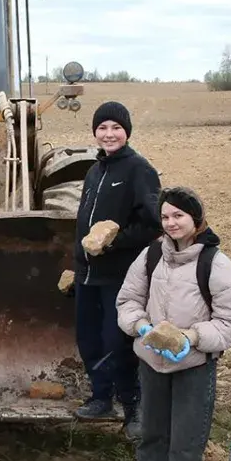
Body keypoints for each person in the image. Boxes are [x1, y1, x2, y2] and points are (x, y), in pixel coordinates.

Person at [116, 186, 231, 461]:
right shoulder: (150, 256)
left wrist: (191, 337)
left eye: (179, 216)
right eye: (166, 216)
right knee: (152, 437)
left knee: (186, 444)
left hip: (193, 368)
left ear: (196, 220)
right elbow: (127, 300)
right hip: (152, 364)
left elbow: (229, 325)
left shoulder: (216, 266)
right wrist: (140, 326)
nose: (171, 222)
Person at [73, 100, 162, 436]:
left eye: (115, 128)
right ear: (95, 132)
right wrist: (77, 267)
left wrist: (114, 241)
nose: (108, 134)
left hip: (119, 275)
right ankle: (100, 397)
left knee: (117, 340)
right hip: (88, 274)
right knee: (89, 338)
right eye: (102, 128)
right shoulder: (95, 171)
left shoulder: (139, 170)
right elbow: (83, 225)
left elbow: (153, 225)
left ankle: (133, 405)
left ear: (126, 132)